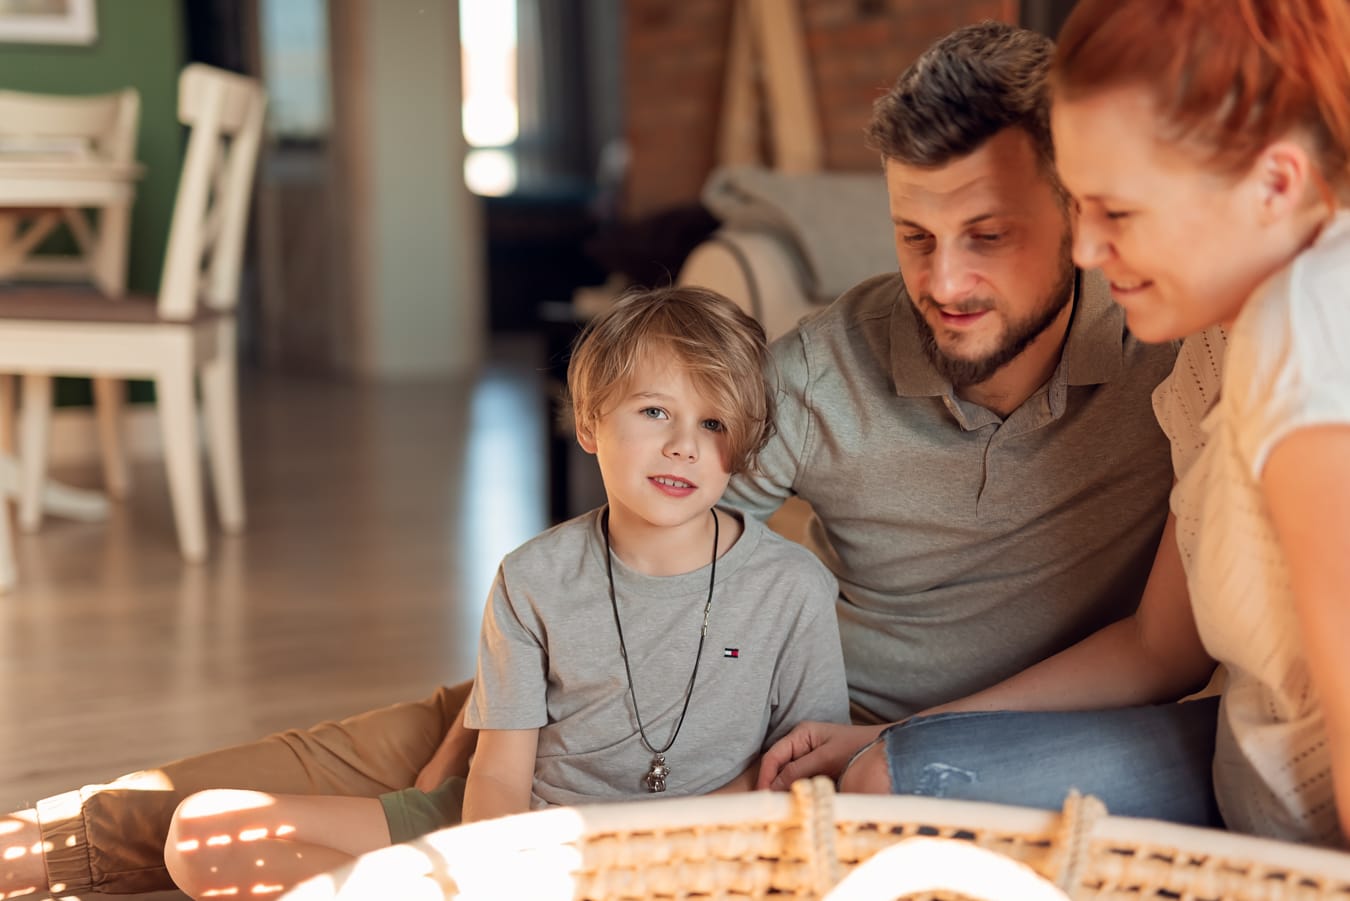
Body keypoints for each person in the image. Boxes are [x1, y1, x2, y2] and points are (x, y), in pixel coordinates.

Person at [0, 21, 1183, 898]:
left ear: (1078, 215)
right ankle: (58, 839)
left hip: (845, 757)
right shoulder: (830, 366)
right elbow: (656, 530)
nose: (944, 282)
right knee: (224, 797)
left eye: (989, 236)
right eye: (914, 236)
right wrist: (504, 709)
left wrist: (891, 740)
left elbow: (1162, 643)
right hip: (696, 701)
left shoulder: (1168, 356)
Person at [797, 0, 1350, 847]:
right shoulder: (1210, 346)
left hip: (1292, 832)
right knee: (901, 776)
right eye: (1081, 206)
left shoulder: (1308, 328)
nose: (1085, 251)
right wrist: (905, 734)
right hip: (1240, 765)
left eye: (1117, 213)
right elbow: (1160, 646)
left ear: (1277, 185)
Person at [159, 286, 851, 898]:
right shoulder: (533, 577)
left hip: (684, 855)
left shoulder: (793, 588)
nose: (683, 446)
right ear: (588, 423)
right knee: (199, 833)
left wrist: (641, 852)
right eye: (653, 412)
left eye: (714, 423)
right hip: (511, 831)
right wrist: (494, 868)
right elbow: (497, 775)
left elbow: (804, 777)